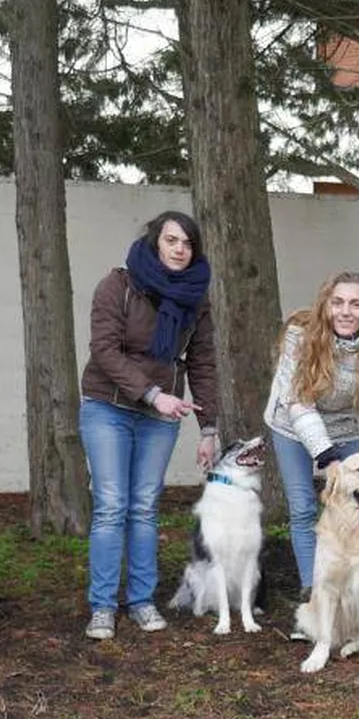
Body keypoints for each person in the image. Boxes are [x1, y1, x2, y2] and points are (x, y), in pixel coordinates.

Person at [79, 211, 221, 640]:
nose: (180, 249)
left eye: (187, 243)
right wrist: (153, 393)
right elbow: (104, 350)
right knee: (110, 506)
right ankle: (102, 606)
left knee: (144, 507)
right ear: (156, 242)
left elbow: (202, 363)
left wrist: (209, 429)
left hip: (161, 413)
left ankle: (141, 601)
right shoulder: (119, 285)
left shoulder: (196, 297)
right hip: (108, 405)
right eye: (172, 240)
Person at [264, 270, 359, 619]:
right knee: (302, 508)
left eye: (355, 304)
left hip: (346, 428)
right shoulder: (299, 338)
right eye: (338, 302)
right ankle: (313, 597)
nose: (346, 311)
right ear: (326, 305)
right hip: (292, 424)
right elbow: (299, 402)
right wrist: (326, 458)